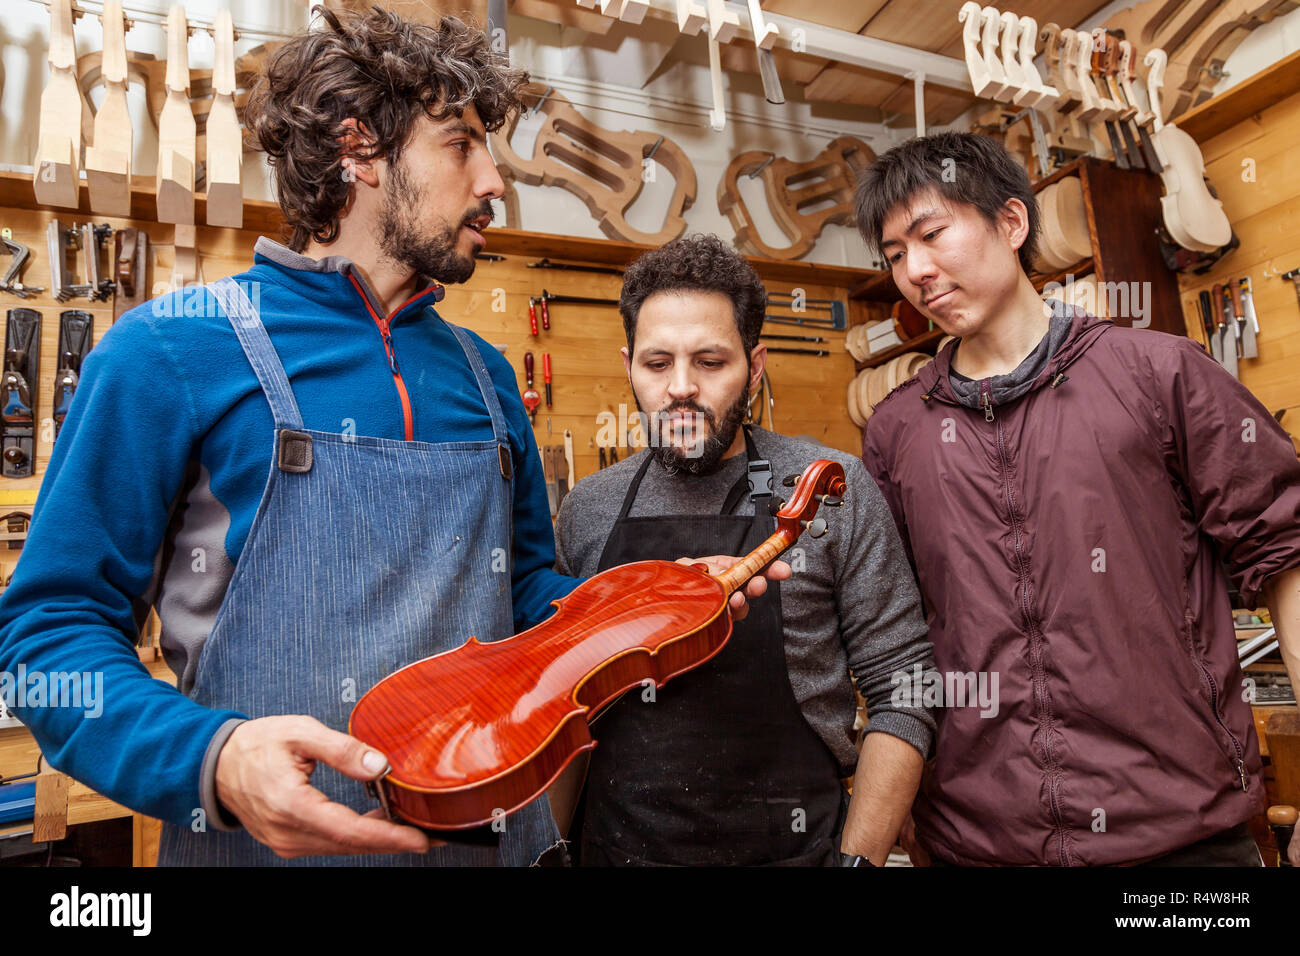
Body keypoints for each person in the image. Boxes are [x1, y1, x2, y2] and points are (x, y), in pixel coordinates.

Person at [0, 9, 772, 867]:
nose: (495, 184)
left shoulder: (485, 377)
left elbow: (521, 602)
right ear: (360, 149)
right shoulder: (167, 352)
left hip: (492, 844)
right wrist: (211, 761)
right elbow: (48, 636)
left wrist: (639, 607)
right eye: (462, 145)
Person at [855, 131, 1300, 866]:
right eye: (894, 255)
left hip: (1180, 839)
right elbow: (893, 636)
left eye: (931, 234)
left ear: (1012, 222)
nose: (916, 272)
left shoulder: (1159, 374)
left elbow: (1287, 549)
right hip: (978, 843)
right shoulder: (896, 430)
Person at [552, 235, 938, 866]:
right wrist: (556, 850)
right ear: (627, 366)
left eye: (710, 362)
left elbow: (907, 685)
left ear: (755, 366)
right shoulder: (589, 510)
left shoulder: (831, 487)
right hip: (619, 848)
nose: (680, 388)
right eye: (656, 364)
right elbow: (563, 705)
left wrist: (860, 860)